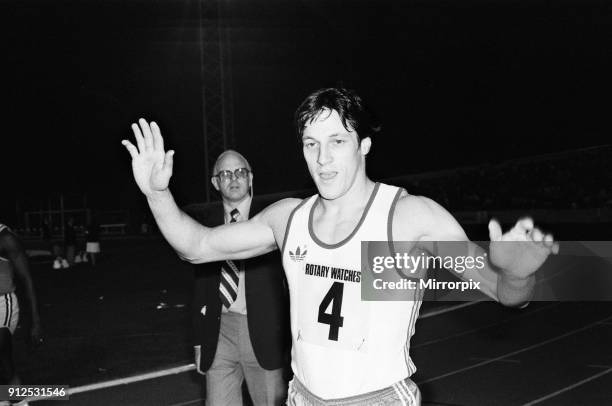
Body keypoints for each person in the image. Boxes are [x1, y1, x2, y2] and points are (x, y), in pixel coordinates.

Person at [122, 87, 558, 405]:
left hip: (378, 400)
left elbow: (504, 294)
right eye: (311, 144)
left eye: (337, 141)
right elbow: (197, 246)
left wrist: (518, 274)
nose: (323, 158)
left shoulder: (411, 217)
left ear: (364, 145)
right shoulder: (288, 218)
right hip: (302, 398)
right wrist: (158, 194)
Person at [190, 150, 289, 406]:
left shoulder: (274, 218)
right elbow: (201, 286)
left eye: (240, 172)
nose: (234, 178)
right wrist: (200, 342)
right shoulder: (206, 225)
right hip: (219, 332)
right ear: (215, 182)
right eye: (225, 173)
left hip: (264, 333)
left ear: (251, 178)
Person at [0, 224, 43, 389]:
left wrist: (36, 322)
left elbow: (27, 279)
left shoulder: (5, 238)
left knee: (5, 363)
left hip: (3, 305)